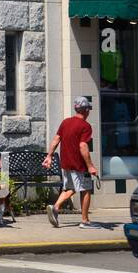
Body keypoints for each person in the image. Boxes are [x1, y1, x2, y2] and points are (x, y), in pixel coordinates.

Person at [43, 96, 99, 229]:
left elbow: (56, 139)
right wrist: (90, 166)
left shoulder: (66, 122)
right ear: (86, 110)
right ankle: (85, 221)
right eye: (88, 109)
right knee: (86, 190)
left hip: (66, 163)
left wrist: (49, 156)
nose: (89, 112)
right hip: (79, 164)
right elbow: (83, 146)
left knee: (70, 188)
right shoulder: (85, 126)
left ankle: (55, 207)